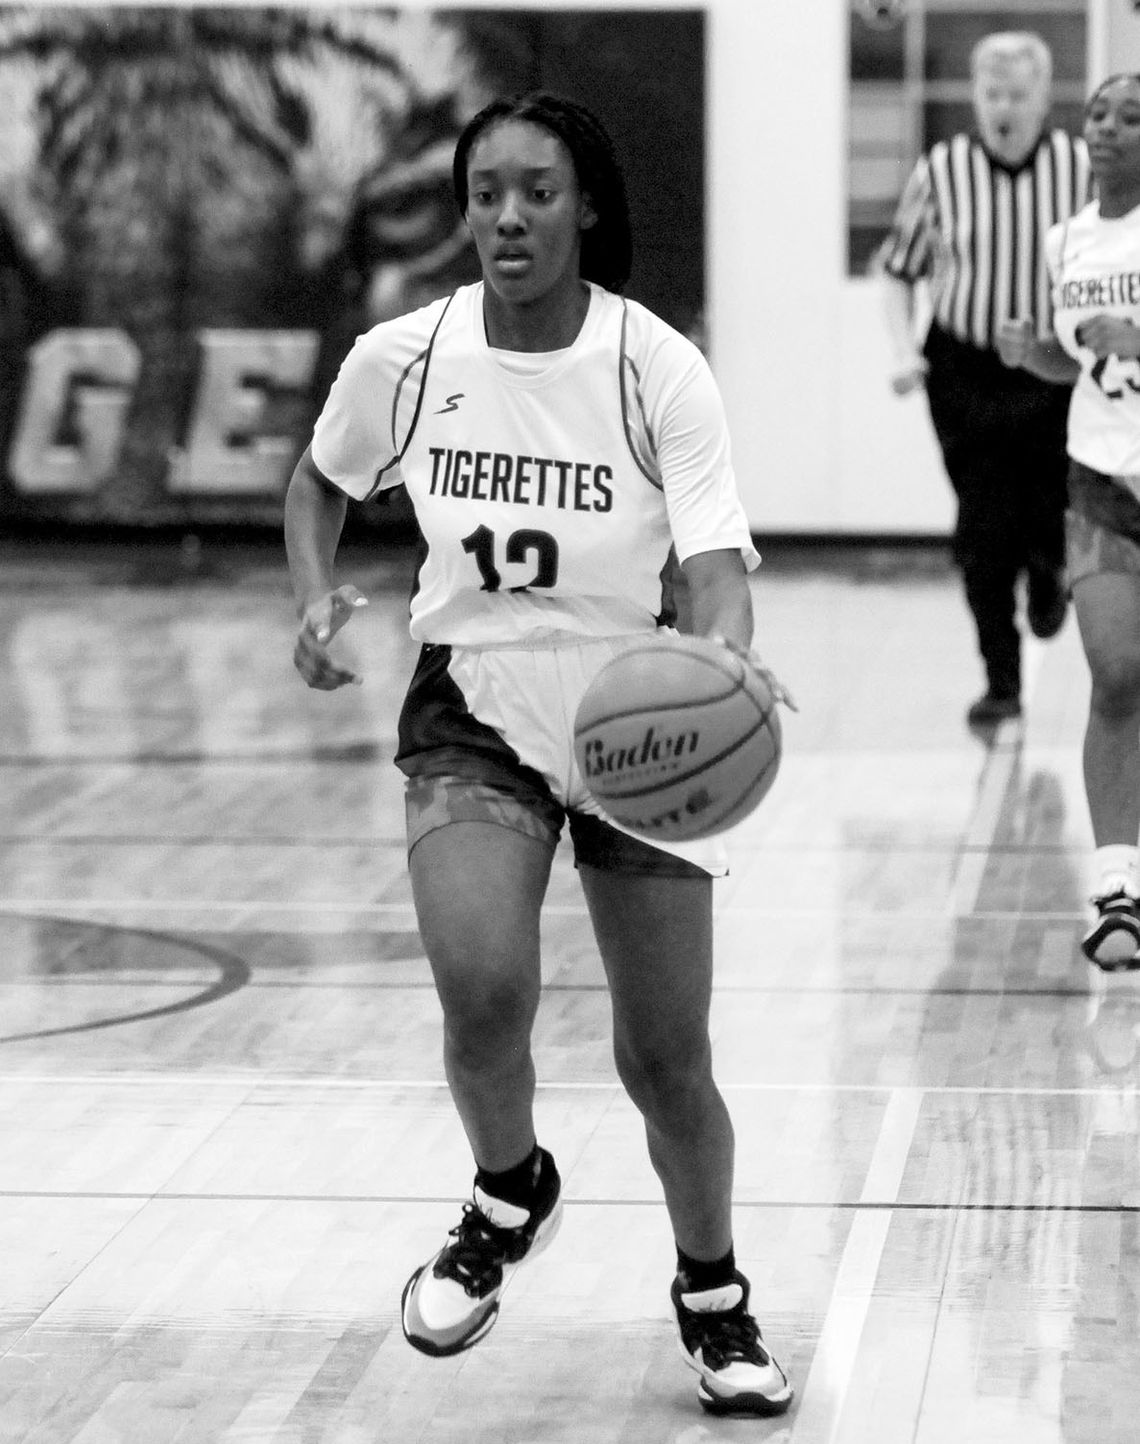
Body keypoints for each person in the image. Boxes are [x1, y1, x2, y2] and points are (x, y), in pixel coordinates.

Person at [284, 91, 794, 1418]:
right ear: (464, 209)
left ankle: (714, 1294)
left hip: (641, 714)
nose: (508, 215)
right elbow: (320, 485)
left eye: (539, 191)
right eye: (486, 191)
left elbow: (716, 559)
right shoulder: (406, 355)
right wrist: (314, 594)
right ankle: (508, 1190)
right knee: (483, 989)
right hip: (476, 708)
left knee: (665, 1059)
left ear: (587, 208)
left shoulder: (653, 365)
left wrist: (725, 651)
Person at [877, 31, 1090, 728]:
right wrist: (902, 351)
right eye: (991, 94)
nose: (1003, 108)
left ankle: (1051, 569)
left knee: (1047, 503)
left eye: (1018, 95)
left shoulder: (1078, 168)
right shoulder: (941, 170)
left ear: (1043, 97)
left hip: (1052, 366)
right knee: (982, 528)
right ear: (976, 97)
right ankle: (1002, 682)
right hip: (965, 369)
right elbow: (898, 273)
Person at [996, 73, 1140, 970]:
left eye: (1131, 116)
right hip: (1098, 481)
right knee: (1118, 672)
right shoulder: (1065, 241)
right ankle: (1116, 888)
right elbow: (1072, 361)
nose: (1110, 127)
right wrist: (1035, 351)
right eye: (1098, 112)